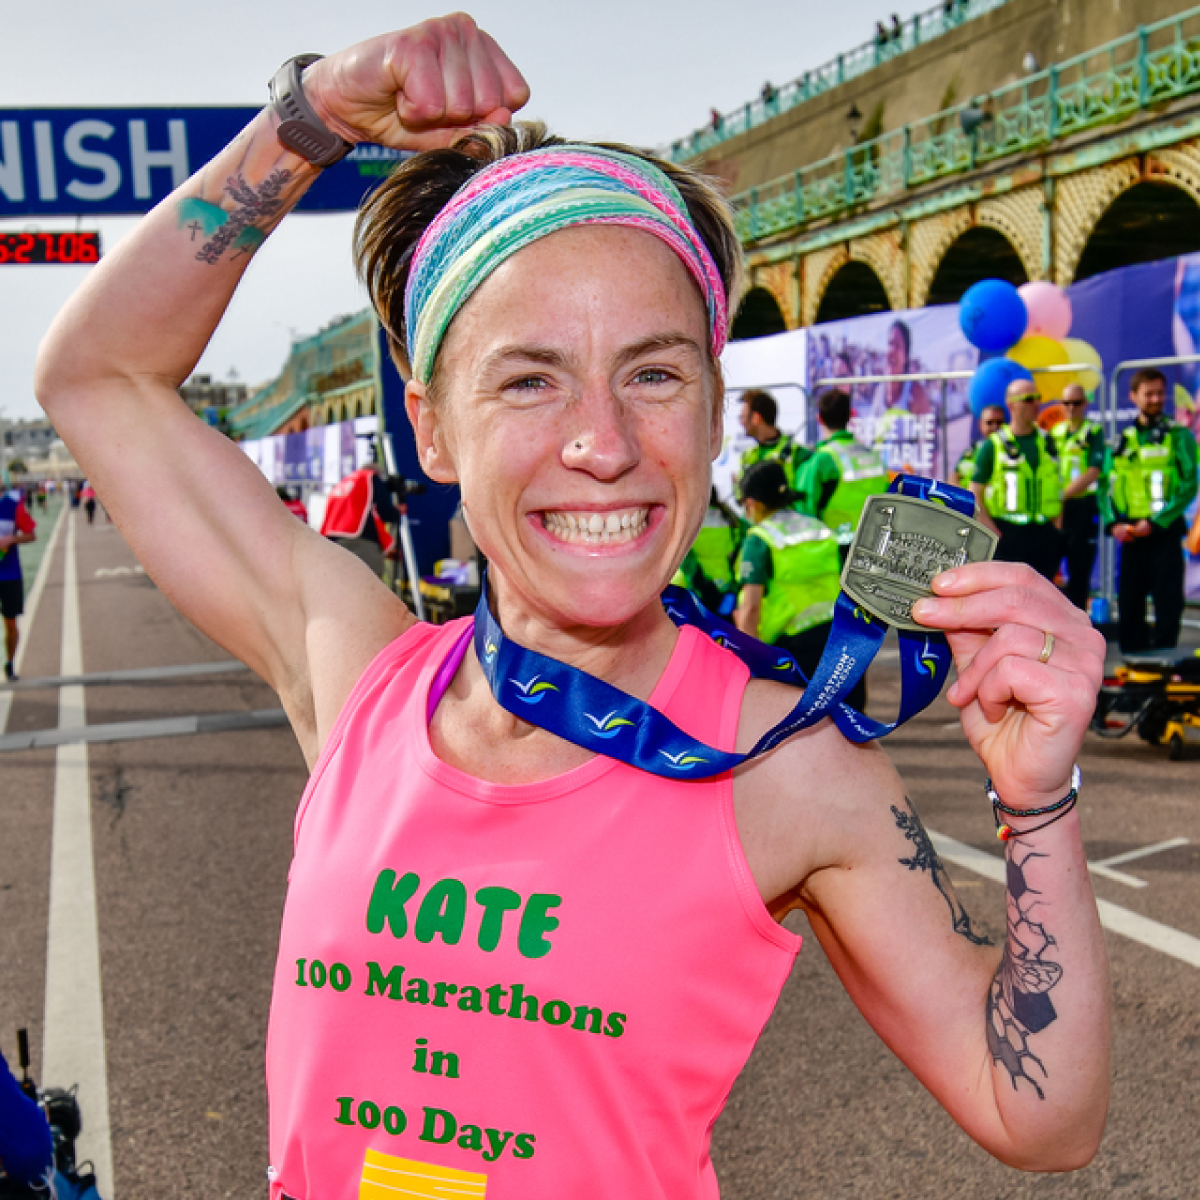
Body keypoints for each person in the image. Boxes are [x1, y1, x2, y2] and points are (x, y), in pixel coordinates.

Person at [35, 19, 1110, 1198]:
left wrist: (1037, 800)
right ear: (432, 428)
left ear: (713, 412)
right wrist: (314, 120)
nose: (604, 443)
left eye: (654, 373)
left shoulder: (788, 765)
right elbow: (97, 379)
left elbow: (1036, 1115)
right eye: (530, 380)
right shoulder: (359, 674)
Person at [733, 460, 864, 710]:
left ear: (753, 503)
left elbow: (750, 607)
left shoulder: (759, 539)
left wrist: (750, 660)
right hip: (839, 638)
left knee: (800, 726)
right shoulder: (818, 527)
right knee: (849, 720)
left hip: (794, 650)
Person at [1106, 367, 1199, 653]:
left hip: (1164, 533)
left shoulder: (1179, 435)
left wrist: (1157, 523)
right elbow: (1105, 487)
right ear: (1134, 396)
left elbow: (1189, 484)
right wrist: (1113, 524)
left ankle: (1165, 660)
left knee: (1168, 603)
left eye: (1160, 393)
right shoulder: (1122, 440)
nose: (1156, 399)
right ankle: (1133, 661)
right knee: (1129, 602)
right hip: (1131, 535)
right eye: (1149, 394)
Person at [970, 379, 1064, 581]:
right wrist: (991, 530)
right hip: (1008, 534)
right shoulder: (994, 445)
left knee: (1043, 594)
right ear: (1011, 404)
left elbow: (1058, 484)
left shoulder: (1047, 441)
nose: (1036, 404)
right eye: (1028, 399)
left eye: (1037, 398)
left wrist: (1057, 526)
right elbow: (975, 491)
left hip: (1044, 534)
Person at [795, 387, 889, 564]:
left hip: (836, 551)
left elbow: (804, 510)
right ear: (850, 416)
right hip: (874, 546)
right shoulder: (873, 456)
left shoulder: (821, 460)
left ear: (819, 418)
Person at [1050, 383, 1107, 611]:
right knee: (1047, 570)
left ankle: (1077, 624)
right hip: (1055, 510)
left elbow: (1094, 470)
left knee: (1079, 573)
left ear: (1085, 403)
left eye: (1077, 402)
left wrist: (1062, 495)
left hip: (1081, 508)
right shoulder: (1054, 433)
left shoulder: (1093, 432)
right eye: (1067, 403)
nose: (1071, 407)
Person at [672, 487, 746, 616]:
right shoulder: (732, 520)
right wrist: (733, 589)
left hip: (697, 591)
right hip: (726, 591)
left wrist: (701, 585)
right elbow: (739, 556)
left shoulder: (686, 521)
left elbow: (685, 561)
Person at [320, 460, 401, 578]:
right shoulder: (371, 479)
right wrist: (398, 511)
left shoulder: (344, 482)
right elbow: (385, 511)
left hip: (333, 543)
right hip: (360, 542)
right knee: (369, 584)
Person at [737, 389, 808, 493]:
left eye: (743, 417)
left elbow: (806, 496)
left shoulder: (797, 452)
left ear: (756, 418)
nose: (741, 422)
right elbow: (741, 496)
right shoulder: (747, 456)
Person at [0, 482, 36, 681]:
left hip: (10, 575)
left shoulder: (13, 505)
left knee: (10, 624)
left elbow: (31, 534)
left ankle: (9, 662)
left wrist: (11, 540)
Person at [955, 404, 1007, 488]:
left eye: (999, 422)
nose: (995, 427)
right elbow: (954, 476)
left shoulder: (1012, 451)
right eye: (989, 422)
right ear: (981, 425)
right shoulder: (972, 450)